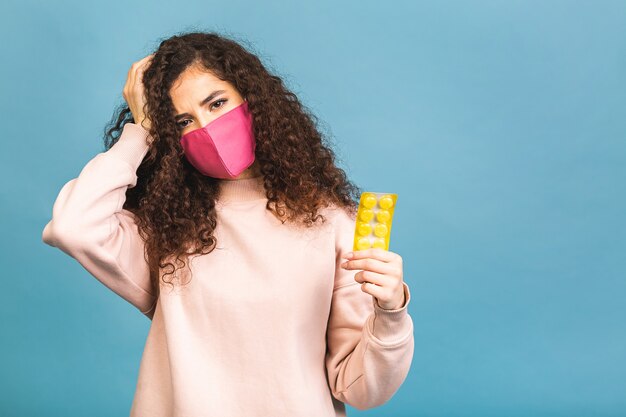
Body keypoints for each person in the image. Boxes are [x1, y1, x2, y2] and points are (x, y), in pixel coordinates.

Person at [41, 31, 414, 417]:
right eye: (183, 121)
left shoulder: (334, 223)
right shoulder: (167, 229)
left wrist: (390, 313)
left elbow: (361, 389)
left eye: (217, 103)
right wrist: (139, 133)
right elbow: (74, 227)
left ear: (253, 100)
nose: (206, 128)